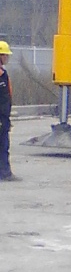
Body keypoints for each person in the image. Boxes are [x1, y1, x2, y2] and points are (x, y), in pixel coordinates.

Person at [0, 40, 13, 181]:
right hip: (1, 118)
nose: (7, 58)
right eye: (5, 55)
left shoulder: (3, 73)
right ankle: (4, 173)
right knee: (3, 146)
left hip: (3, 117)